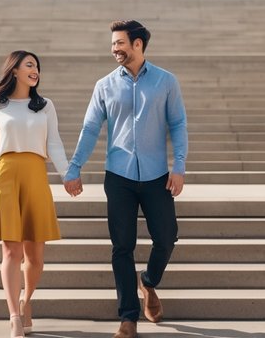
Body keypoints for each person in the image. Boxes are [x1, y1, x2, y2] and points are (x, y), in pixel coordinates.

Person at [63, 20, 188, 338]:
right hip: (118, 176)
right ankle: (128, 318)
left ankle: (148, 281)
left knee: (167, 237)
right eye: (112, 44)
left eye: (120, 43)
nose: (114, 49)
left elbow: (178, 124)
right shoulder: (104, 85)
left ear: (138, 44)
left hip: (157, 175)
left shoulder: (166, 81)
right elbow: (90, 128)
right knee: (122, 247)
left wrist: (179, 166)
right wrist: (75, 167)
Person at [0, 50, 71, 338]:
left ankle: (26, 301)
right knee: (11, 250)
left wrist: (68, 174)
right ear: (14, 71)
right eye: (29, 65)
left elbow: (55, 144)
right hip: (4, 176)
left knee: (35, 258)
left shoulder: (45, 106)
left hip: (35, 175)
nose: (35, 70)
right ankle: (14, 315)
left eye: (37, 66)